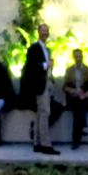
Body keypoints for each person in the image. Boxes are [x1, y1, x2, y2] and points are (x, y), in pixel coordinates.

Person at [23, 24, 60, 155]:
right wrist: (46, 65)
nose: (45, 33)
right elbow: (31, 66)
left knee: (41, 114)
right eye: (43, 30)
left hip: (47, 83)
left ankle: (37, 143)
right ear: (38, 32)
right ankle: (46, 144)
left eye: (47, 31)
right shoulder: (33, 48)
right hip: (39, 85)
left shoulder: (48, 50)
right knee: (45, 113)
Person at [62, 48, 88, 149]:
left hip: (85, 98)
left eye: (79, 56)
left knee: (78, 111)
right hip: (73, 97)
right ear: (73, 57)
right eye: (76, 56)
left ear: (82, 57)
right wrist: (73, 91)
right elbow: (64, 87)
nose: (78, 58)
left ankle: (75, 140)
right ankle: (84, 127)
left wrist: (85, 94)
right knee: (78, 105)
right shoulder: (69, 71)